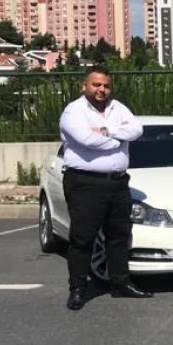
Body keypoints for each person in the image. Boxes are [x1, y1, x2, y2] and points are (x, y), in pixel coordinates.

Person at [59, 65, 149, 311]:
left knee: (118, 235)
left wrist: (108, 131)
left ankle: (121, 284)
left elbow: (137, 130)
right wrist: (119, 138)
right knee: (82, 238)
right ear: (84, 86)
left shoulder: (117, 108)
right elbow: (88, 140)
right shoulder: (73, 111)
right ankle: (78, 288)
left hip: (118, 182)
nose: (101, 90)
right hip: (85, 183)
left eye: (106, 85)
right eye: (96, 85)